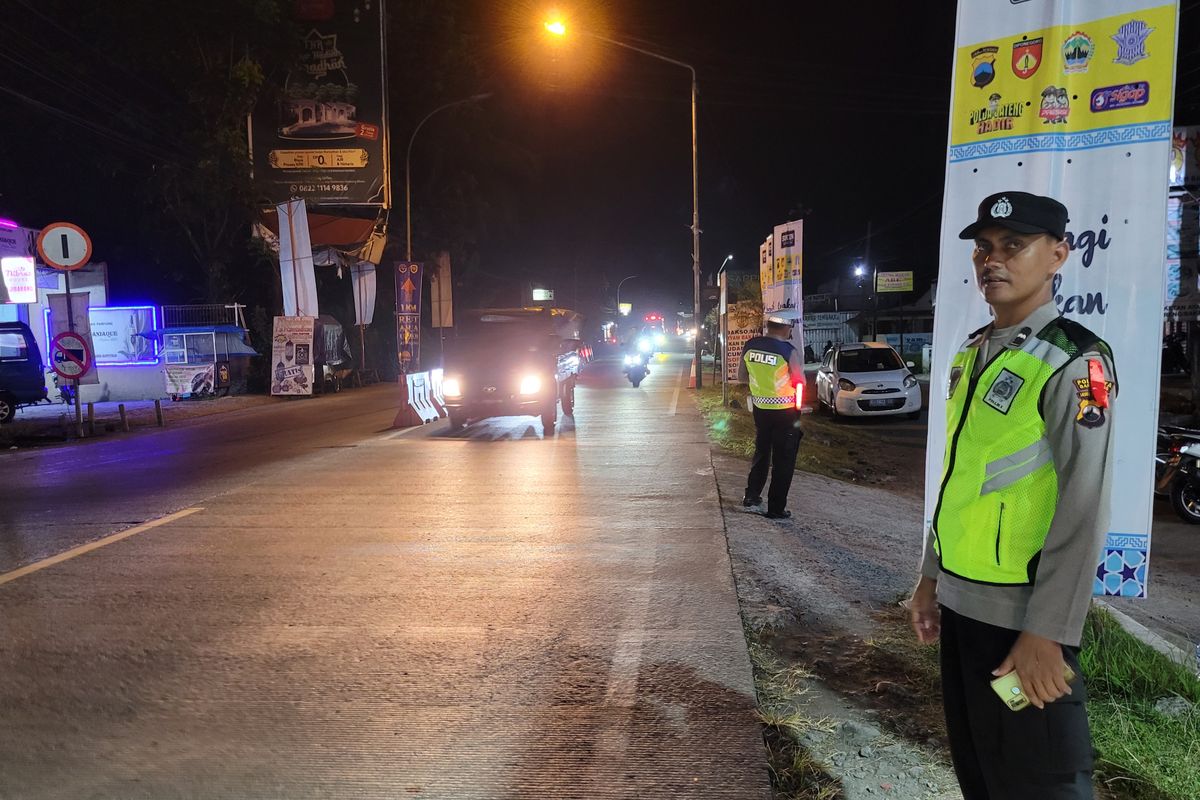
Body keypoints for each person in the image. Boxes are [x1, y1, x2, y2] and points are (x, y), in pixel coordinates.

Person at [909, 191, 1117, 800]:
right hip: (963, 613)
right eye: (984, 248)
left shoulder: (1075, 362)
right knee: (982, 776)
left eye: (1013, 246)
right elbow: (958, 480)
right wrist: (929, 578)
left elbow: (1085, 506)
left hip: (1022, 625)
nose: (992, 261)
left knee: (1043, 783)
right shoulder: (973, 354)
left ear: (1058, 255)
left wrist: (1048, 632)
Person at [738, 316, 804, 519]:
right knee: (783, 459)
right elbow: (799, 381)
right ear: (785, 328)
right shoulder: (787, 351)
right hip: (785, 411)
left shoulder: (751, 345)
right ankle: (776, 508)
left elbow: (742, 377)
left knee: (762, 451)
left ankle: (751, 495)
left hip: (760, 409)